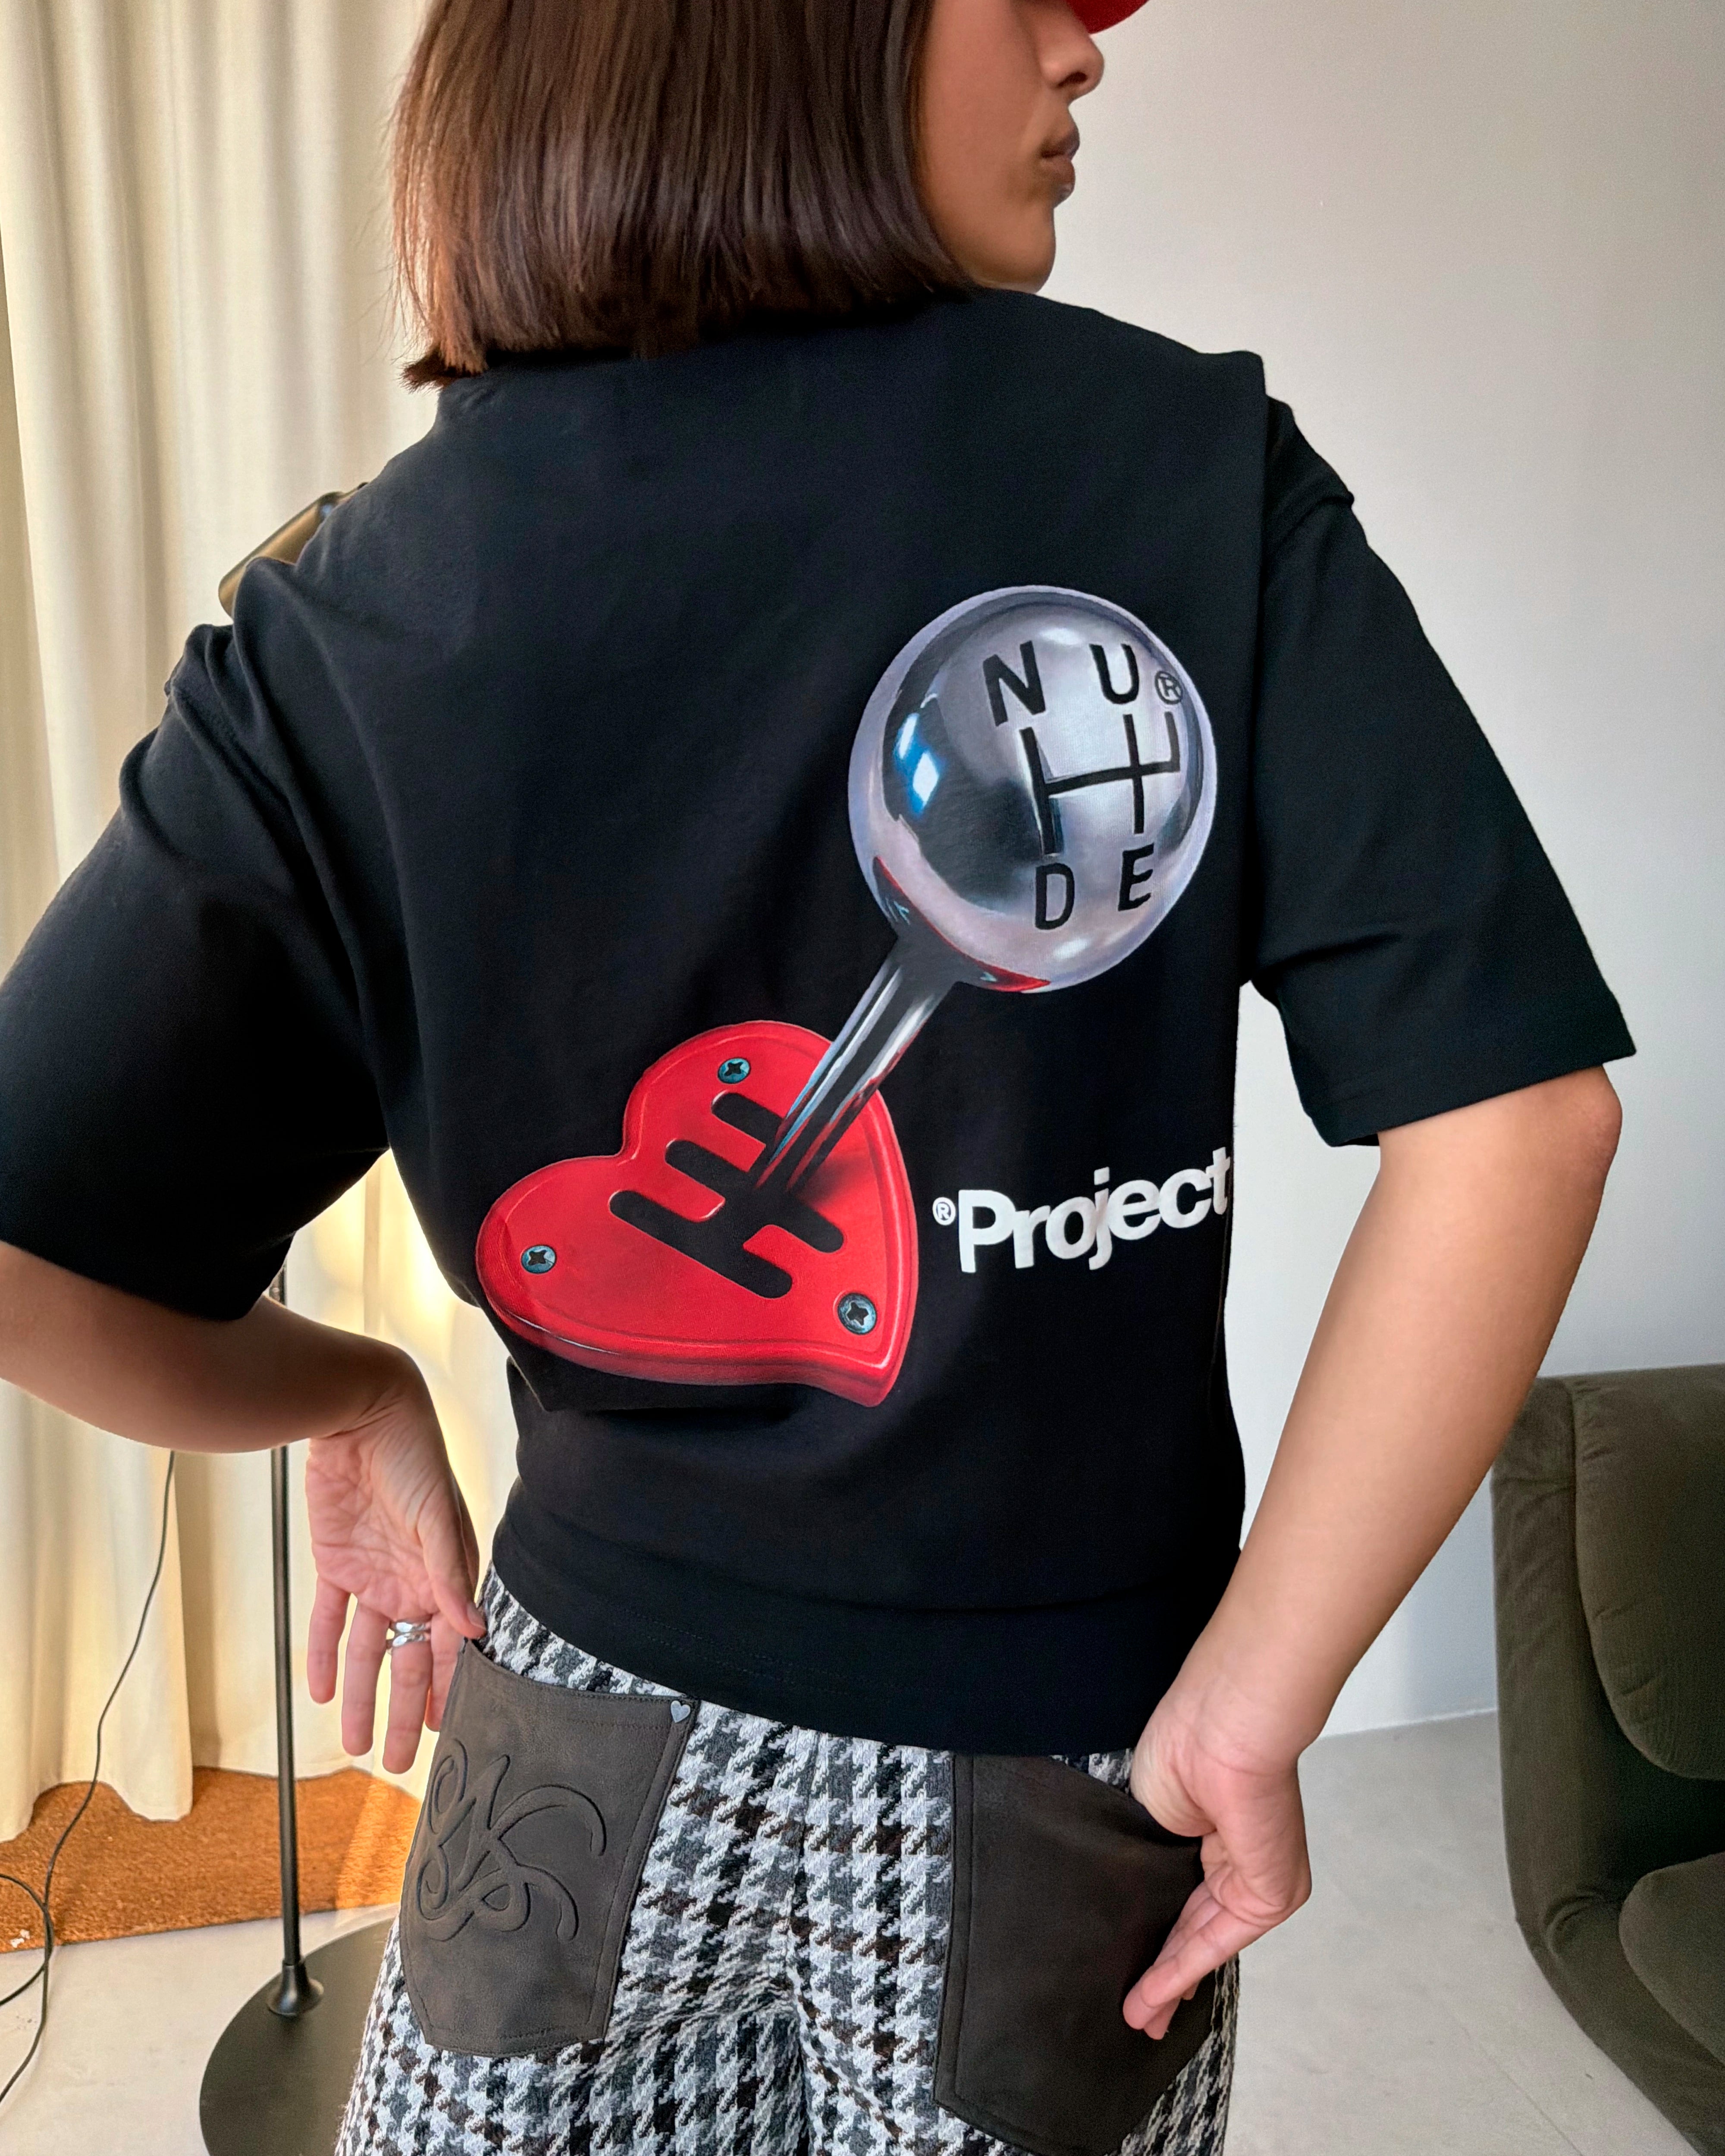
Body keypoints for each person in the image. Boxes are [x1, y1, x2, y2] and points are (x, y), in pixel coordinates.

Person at [0, 0, 1631, 2150]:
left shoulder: (358, 606)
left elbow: (29, 1253)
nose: (1081, 58)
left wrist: (354, 1390)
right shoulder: (1183, 472)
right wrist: (1253, 1697)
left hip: (570, 1730)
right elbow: (1517, 1116)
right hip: (1061, 1749)